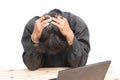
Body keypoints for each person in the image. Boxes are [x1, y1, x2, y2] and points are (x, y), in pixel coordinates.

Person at [21, 9, 90, 70]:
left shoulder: (77, 25)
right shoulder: (33, 28)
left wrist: (70, 37)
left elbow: (79, 64)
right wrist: (34, 39)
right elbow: (32, 65)